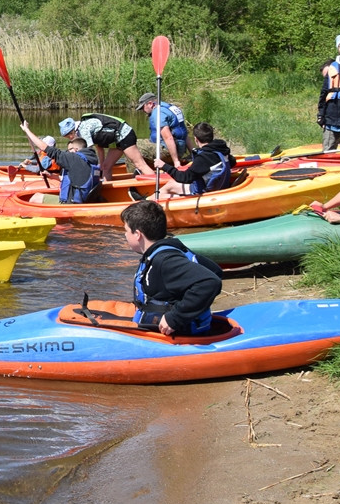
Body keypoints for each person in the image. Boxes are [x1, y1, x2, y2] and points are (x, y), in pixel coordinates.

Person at [120, 200, 223, 337]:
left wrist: (175, 317)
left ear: (137, 234)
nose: (125, 235)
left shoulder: (165, 261)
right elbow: (215, 270)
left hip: (178, 336)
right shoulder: (166, 250)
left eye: (126, 230)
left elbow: (211, 281)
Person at [132, 122, 234, 201]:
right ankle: (145, 199)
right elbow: (232, 162)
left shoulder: (204, 158)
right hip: (210, 185)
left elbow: (184, 178)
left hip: (203, 191)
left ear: (196, 139)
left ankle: (146, 202)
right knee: (171, 184)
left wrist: (164, 166)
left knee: (162, 195)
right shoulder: (222, 149)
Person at [20, 121, 101, 203]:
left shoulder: (73, 158)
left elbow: (45, 147)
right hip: (84, 200)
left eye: (69, 150)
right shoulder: (91, 158)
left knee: (36, 197)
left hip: (71, 204)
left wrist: (27, 130)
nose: (68, 152)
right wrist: (51, 175)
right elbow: (75, 179)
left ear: (75, 150)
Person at [58, 114, 155, 180]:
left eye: (70, 134)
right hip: (116, 140)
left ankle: (156, 185)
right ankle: (106, 188)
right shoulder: (80, 130)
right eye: (67, 137)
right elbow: (99, 147)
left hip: (125, 135)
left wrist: (85, 167)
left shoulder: (83, 129)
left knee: (139, 164)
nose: (70, 137)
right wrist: (101, 164)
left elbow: (89, 152)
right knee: (106, 167)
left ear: (73, 129)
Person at [136, 92, 191, 168]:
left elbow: (168, 138)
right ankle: (148, 166)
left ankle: (135, 174)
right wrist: (193, 153)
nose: (143, 110)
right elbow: (184, 133)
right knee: (141, 142)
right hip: (179, 148)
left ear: (150, 103)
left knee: (131, 147)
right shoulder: (170, 108)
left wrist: (176, 161)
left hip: (167, 151)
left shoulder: (158, 113)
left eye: (143, 107)